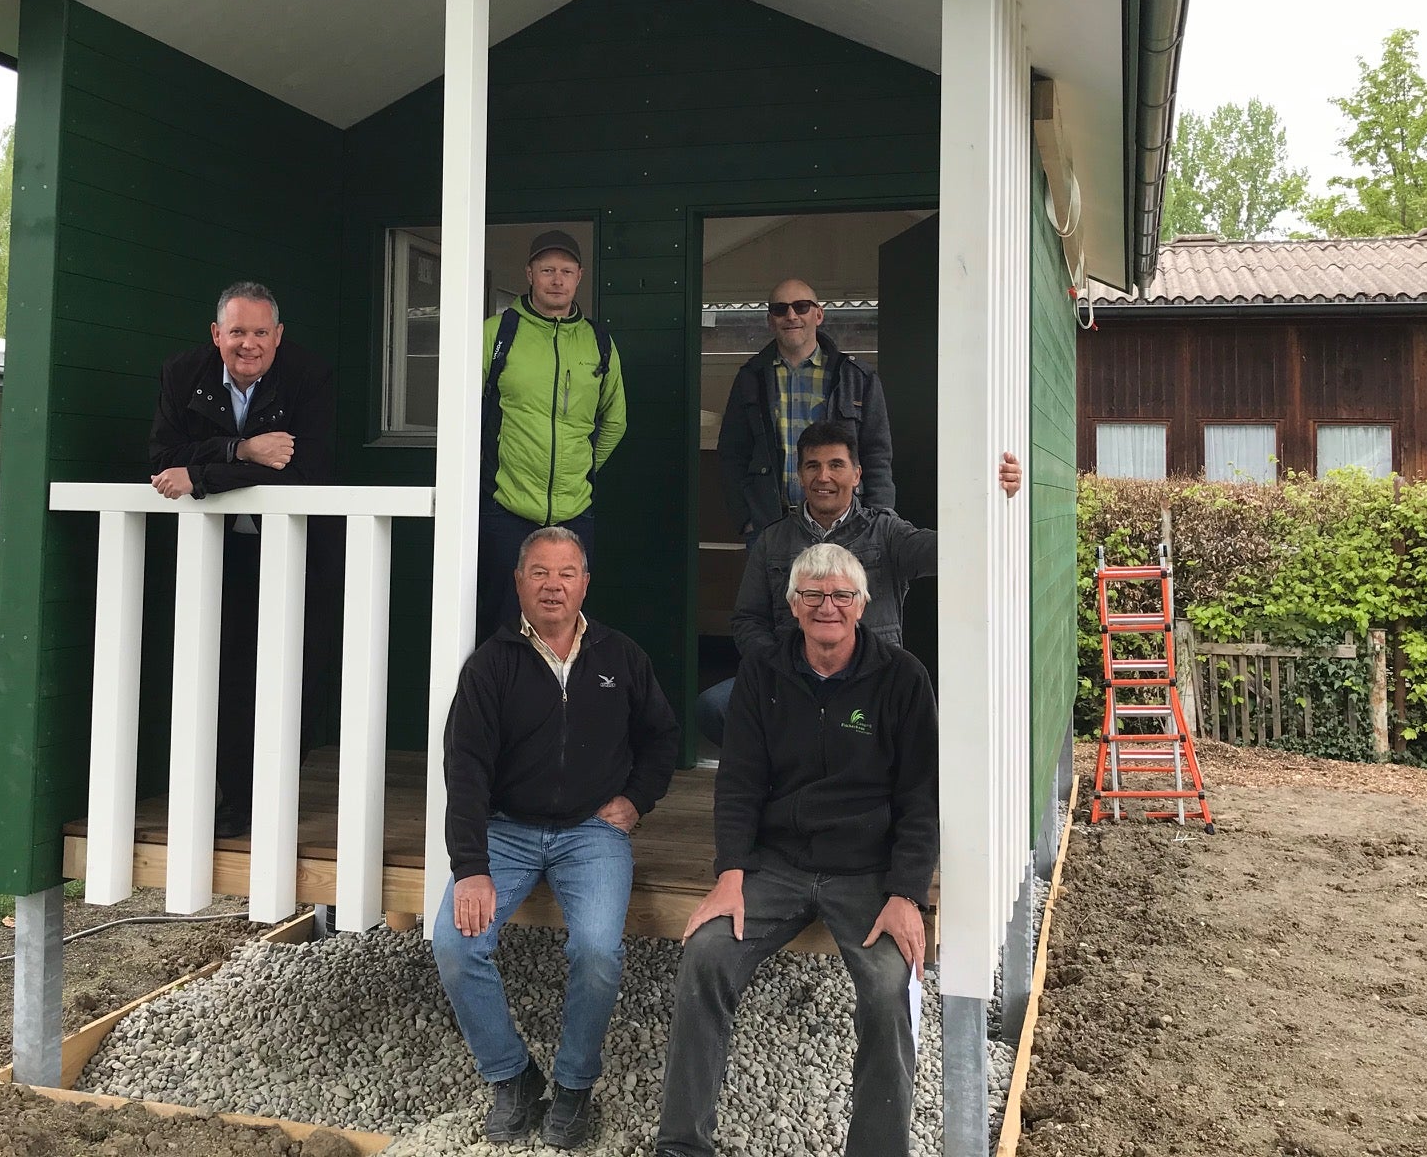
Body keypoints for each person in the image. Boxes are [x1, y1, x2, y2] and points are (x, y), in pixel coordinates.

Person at [657, 542, 936, 1157]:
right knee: (705, 954)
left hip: (865, 872)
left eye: (841, 596)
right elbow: (739, 783)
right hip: (776, 866)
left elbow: (921, 797)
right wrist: (730, 873)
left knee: (891, 986)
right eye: (813, 596)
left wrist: (906, 892)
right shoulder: (763, 672)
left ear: (863, 605)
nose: (827, 607)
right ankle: (681, 1144)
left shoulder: (902, 678)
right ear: (792, 606)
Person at [435, 527, 677, 1148]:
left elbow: (662, 738)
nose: (553, 585)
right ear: (518, 583)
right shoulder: (491, 666)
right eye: (539, 572)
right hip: (506, 833)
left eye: (566, 573)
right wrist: (471, 867)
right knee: (457, 946)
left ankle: (573, 1088)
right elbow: (464, 769)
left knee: (598, 951)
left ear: (585, 583)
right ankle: (512, 1077)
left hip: (591, 832)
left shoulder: (621, 657)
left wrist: (635, 800)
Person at [146, 281, 337, 836]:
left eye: (259, 332)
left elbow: (305, 468)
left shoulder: (309, 376)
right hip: (220, 552)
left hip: (302, 551)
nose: (247, 345)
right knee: (228, 670)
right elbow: (160, 460)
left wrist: (203, 474)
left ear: (278, 336)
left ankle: (274, 792)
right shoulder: (183, 375)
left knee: (294, 670)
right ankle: (237, 800)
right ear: (216, 335)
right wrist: (242, 449)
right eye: (236, 333)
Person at [697, 419, 1022, 745]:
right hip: (791, 679)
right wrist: (778, 668)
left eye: (836, 465)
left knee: (913, 733)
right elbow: (748, 619)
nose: (823, 477)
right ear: (800, 475)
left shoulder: (886, 532)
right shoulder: (773, 540)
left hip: (870, 680)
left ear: (856, 474)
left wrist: (997, 499)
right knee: (715, 707)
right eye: (813, 466)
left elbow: (955, 551)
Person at [475, 230, 627, 633]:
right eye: (547, 270)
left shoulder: (599, 342)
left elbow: (614, 420)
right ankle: (498, 696)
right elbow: (465, 410)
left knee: (566, 621)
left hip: (575, 510)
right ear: (529, 274)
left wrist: (582, 467)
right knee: (502, 621)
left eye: (565, 271)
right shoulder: (496, 333)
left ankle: (560, 696)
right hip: (505, 506)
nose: (556, 279)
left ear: (579, 277)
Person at [716, 278, 891, 541]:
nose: (791, 315)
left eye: (801, 307)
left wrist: (878, 518)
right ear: (770, 320)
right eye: (780, 309)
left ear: (819, 314)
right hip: (771, 527)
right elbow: (732, 453)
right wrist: (746, 519)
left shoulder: (857, 378)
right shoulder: (749, 379)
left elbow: (876, 454)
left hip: (846, 527)